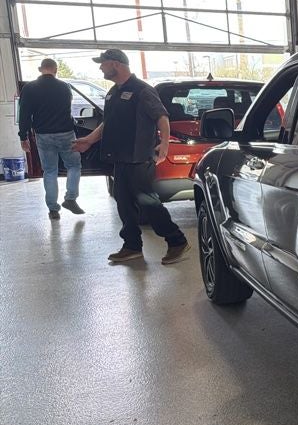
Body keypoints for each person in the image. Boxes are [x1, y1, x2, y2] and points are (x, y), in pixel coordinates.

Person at [72, 49, 190, 265]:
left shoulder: (142, 90)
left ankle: (177, 241)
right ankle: (132, 246)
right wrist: (89, 139)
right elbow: (108, 123)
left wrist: (164, 144)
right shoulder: (113, 92)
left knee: (148, 204)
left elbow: (161, 117)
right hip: (120, 157)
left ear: (116, 64)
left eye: (103, 63)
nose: (100, 67)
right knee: (124, 204)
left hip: (139, 158)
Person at [17, 58, 85, 220]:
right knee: (74, 166)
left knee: (50, 171)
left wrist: (23, 136)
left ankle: (53, 209)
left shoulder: (30, 88)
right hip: (66, 133)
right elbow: (68, 109)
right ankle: (70, 198)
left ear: (40, 69)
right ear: (55, 70)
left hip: (43, 135)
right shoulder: (64, 87)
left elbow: (24, 115)